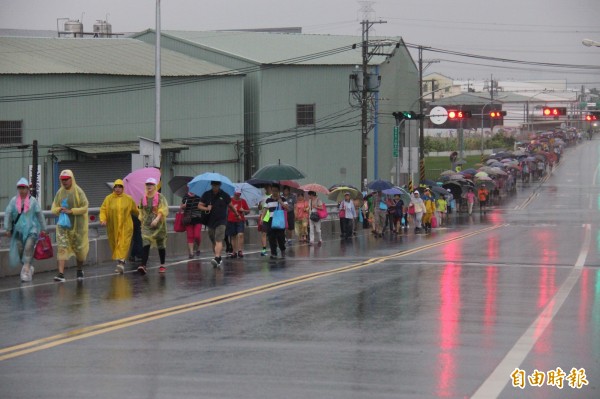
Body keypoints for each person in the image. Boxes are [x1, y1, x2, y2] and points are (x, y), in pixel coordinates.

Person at [4, 178, 47, 282]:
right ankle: (28, 267)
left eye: (24, 188)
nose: (22, 190)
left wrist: (43, 228)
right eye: (20, 187)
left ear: (28, 189)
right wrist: (7, 228)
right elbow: (8, 214)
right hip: (18, 231)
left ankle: (26, 271)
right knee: (20, 251)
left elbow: (39, 215)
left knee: (28, 248)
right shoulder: (14, 201)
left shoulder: (33, 201)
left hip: (31, 230)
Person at [51, 169, 89, 282]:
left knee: (80, 252)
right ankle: (61, 274)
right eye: (62, 180)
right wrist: (59, 209)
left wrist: (72, 211)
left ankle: (79, 269)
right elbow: (53, 208)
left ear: (71, 179)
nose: (64, 182)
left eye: (66, 179)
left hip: (78, 227)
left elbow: (85, 207)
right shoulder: (59, 193)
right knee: (62, 247)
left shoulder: (79, 192)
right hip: (63, 227)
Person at [99, 179, 139, 274]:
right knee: (115, 244)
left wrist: (144, 217)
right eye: (116, 187)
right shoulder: (108, 199)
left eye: (119, 187)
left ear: (123, 188)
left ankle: (121, 263)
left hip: (126, 226)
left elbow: (136, 211)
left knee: (123, 244)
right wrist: (103, 219)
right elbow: (103, 210)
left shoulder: (128, 199)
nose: (117, 189)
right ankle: (120, 262)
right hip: (113, 227)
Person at [198, 181, 239, 268]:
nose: (215, 186)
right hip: (210, 221)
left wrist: (236, 214)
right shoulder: (207, 194)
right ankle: (218, 257)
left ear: (220, 185)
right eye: (213, 185)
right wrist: (206, 208)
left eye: (216, 185)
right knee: (213, 241)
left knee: (218, 239)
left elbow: (231, 206)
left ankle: (216, 258)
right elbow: (199, 206)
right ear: (211, 185)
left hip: (221, 221)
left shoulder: (224, 195)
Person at [137, 177, 169, 275]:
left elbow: (163, 209)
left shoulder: (160, 197)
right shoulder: (143, 198)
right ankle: (143, 265)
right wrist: (141, 220)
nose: (149, 186)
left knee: (161, 245)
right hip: (147, 225)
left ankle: (162, 264)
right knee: (145, 244)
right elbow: (141, 211)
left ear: (155, 186)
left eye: (151, 184)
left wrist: (156, 219)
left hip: (159, 225)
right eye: (147, 184)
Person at [261, 184, 289, 258]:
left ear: (279, 191)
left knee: (280, 237)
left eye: (276, 191)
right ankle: (274, 253)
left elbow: (287, 208)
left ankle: (282, 249)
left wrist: (281, 202)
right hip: (271, 220)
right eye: (273, 191)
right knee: (271, 237)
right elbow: (265, 210)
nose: (274, 192)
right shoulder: (268, 199)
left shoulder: (282, 199)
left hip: (280, 220)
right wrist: (262, 219)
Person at [226, 188, 250, 258]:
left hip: (240, 220)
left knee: (240, 234)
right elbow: (226, 209)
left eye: (239, 195)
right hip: (231, 220)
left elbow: (248, 211)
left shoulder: (243, 201)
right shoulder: (230, 200)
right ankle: (234, 251)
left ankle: (240, 250)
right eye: (236, 195)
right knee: (233, 236)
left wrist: (244, 210)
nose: (237, 196)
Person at [180, 190, 203, 258]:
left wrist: (200, 205)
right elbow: (181, 206)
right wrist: (184, 206)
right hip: (188, 219)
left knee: (197, 235)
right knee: (190, 236)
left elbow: (204, 205)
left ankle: (198, 247)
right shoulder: (186, 196)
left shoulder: (200, 196)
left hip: (198, 218)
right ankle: (191, 252)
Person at [257, 185, 272, 256]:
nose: (266, 188)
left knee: (273, 234)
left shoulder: (274, 196)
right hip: (264, 216)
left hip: (272, 217)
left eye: (268, 187)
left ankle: (274, 248)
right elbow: (259, 208)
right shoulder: (262, 197)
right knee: (263, 233)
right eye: (265, 187)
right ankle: (264, 249)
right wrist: (259, 204)